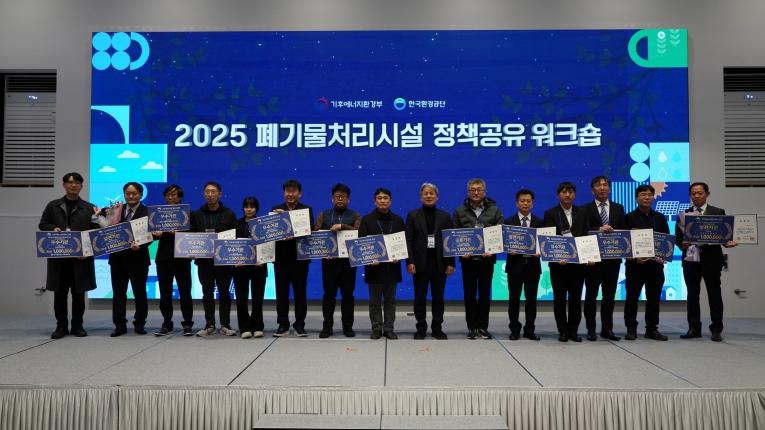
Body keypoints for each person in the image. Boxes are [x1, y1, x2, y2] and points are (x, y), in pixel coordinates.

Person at [38, 172, 99, 339]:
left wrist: (86, 250)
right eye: (70, 182)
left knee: (79, 295)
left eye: (77, 182)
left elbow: (96, 232)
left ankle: (78, 325)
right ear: (64, 185)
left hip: (81, 260)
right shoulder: (53, 206)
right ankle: (61, 326)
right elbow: (43, 224)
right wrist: (53, 228)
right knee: (60, 294)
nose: (74, 185)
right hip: (59, 259)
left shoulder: (90, 208)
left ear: (82, 187)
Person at [676, 182, 738, 342]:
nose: (696, 196)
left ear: (707, 194)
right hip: (690, 261)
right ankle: (694, 328)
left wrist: (728, 243)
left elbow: (724, 235)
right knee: (692, 295)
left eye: (700, 193)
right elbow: (677, 238)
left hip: (712, 260)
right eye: (693, 193)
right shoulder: (683, 214)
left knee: (714, 295)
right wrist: (683, 243)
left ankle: (716, 329)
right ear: (689, 195)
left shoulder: (718, 212)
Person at [452, 178, 504, 340]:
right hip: (467, 260)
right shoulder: (459, 211)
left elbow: (500, 234)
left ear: (484, 192)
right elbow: (454, 235)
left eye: (479, 189)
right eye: (472, 189)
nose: (476, 192)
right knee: (469, 294)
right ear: (468, 192)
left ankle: (483, 326)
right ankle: (471, 327)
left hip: (486, 260)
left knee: (484, 294)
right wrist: (460, 251)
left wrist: (492, 250)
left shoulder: (495, 210)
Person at [543, 182, 593, 343]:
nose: (567, 195)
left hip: (578, 264)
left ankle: (573, 331)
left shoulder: (582, 212)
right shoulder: (551, 213)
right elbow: (549, 238)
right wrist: (558, 256)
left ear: (574, 195)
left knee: (575, 298)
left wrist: (589, 255)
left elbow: (586, 234)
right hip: (558, 264)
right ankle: (562, 331)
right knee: (559, 298)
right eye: (564, 192)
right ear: (558, 195)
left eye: (570, 192)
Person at [405, 183, 455, 340]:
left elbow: (449, 241)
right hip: (419, 263)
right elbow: (408, 241)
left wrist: (451, 263)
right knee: (419, 297)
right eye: (425, 193)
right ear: (421, 197)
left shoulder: (445, 216)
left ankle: (437, 328)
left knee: (438, 298)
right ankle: (421, 328)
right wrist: (409, 261)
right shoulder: (413, 215)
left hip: (439, 263)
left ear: (437, 197)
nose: (428, 196)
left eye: (431, 193)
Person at [623, 185, 671, 341]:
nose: (647, 197)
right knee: (632, 298)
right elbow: (624, 242)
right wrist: (634, 257)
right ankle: (631, 329)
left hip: (655, 266)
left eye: (650, 194)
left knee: (654, 298)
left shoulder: (660, 217)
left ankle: (651, 329)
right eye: (643, 194)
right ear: (636, 198)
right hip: (635, 266)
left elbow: (666, 240)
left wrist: (663, 256)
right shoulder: (628, 218)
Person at [581, 176, 626, 341]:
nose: (602, 187)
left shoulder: (618, 208)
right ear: (592, 190)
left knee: (609, 297)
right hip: (593, 261)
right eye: (598, 185)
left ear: (610, 189)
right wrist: (599, 229)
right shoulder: (584, 209)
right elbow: (583, 230)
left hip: (612, 260)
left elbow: (623, 231)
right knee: (591, 296)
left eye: (605, 185)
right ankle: (591, 329)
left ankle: (607, 329)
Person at [191, 181, 237, 337]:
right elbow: (191, 237)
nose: (210, 195)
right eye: (207, 192)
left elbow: (233, 238)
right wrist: (191, 250)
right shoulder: (197, 214)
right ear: (204, 194)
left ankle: (225, 324)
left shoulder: (229, 214)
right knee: (207, 293)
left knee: (224, 293)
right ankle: (209, 324)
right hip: (204, 262)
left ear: (220, 194)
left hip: (223, 262)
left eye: (213, 192)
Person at [314, 183, 361, 338]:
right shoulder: (323, 215)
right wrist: (324, 251)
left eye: (343, 197)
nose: (340, 199)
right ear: (332, 198)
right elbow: (316, 235)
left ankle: (348, 327)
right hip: (329, 262)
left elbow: (359, 232)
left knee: (348, 295)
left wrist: (343, 226)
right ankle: (327, 327)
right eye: (337, 196)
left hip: (349, 263)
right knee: (329, 295)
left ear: (349, 199)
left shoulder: (355, 215)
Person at [359, 188, 406, 340]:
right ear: (375, 201)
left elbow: (403, 243)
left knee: (390, 301)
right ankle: (376, 328)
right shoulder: (367, 220)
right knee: (374, 301)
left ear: (390, 201)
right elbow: (361, 244)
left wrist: (399, 256)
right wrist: (368, 259)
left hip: (392, 267)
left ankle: (389, 328)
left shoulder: (398, 220)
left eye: (385, 198)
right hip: (374, 268)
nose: (382, 200)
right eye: (379, 198)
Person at [272, 179, 314, 337]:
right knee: (281, 293)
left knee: (300, 293)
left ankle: (300, 325)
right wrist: (276, 219)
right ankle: (283, 324)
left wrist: (294, 233)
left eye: (293, 191)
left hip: (300, 259)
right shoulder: (276, 211)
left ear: (300, 193)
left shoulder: (306, 210)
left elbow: (310, 230)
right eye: (287, 191)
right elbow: (271, 233)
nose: (290, 194)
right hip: (281, 260)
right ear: (284, 193)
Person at [108, 182, 151, 337]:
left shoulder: (148, 212)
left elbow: (151, 236)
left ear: (141, 195)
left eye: (134, 193)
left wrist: (140, 245)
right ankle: (119, 325)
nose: (131, 196)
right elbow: (106, 230)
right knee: (118, 294)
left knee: (140, 293)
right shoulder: (114, 210)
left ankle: (140, 324)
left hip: (139, 259)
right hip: (117, 259)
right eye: (127, 193)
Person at [152, 185, 194, 336]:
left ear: (180, 197)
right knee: (165, 293)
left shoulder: (189, 214)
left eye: (174, 195)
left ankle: (187, 324)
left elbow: (194, 233)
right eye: (167, 195)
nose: (170, 197)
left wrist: (180, 232)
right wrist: (155, 234)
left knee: (185, 292)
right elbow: (150, 237)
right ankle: (167, 324)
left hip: (181, 258)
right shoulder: (158, 214)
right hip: (163, 258)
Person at [504, 189, 543, 341]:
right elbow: (503, 244)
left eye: (528, 201)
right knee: (514, 300)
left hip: (533, 267)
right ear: (517, 203)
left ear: (532, 204)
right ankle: (514, 329)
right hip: (515, 266)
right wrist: (509, 249)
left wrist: (541, 252)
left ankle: (530, 329)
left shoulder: (539, 222)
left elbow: (544, 244)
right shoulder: (508, 222)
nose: (525, 203)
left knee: (531, 300)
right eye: (522, 201)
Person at [233, 197, 268, 339]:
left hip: (258, 267)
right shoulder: (236, 224)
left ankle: (258, 327)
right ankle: (245, 328)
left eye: (252, 207)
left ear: (256, 209)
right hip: (240, 268)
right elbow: (230, 245)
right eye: (246, 207)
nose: (249, 209)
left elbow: (268, 245)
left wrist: (264, 258)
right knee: (241, 299)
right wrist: (234, 260)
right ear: (243, 208)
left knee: (258, 298)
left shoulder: (263, 224)